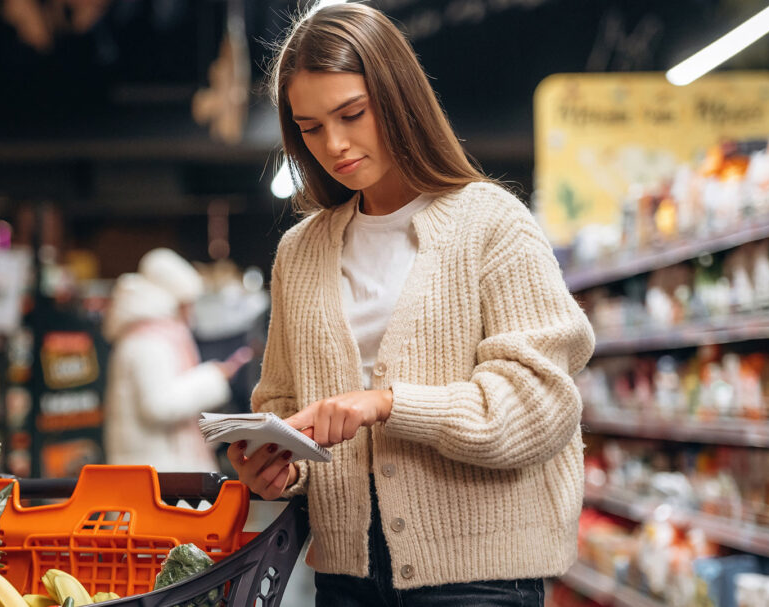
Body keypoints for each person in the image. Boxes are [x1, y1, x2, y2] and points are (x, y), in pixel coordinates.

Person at [226, 4, 595, 606]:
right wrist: (283, 468)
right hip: (346, 578)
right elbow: (284, 404)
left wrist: (389, 405)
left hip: (479, 579)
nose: (335, 144)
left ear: (397, 97)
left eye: (351, 114)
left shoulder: (491, 224)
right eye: (311, 127)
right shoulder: (300, 252)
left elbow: (541, 404)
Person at [103, 248, 252, 472]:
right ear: (171, 300)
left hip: (157, 468)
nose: (191, 312)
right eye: (187, 303)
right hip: (158, 476)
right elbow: (159, 406)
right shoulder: (149, 340)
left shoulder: (149, 335)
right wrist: (213, 376)